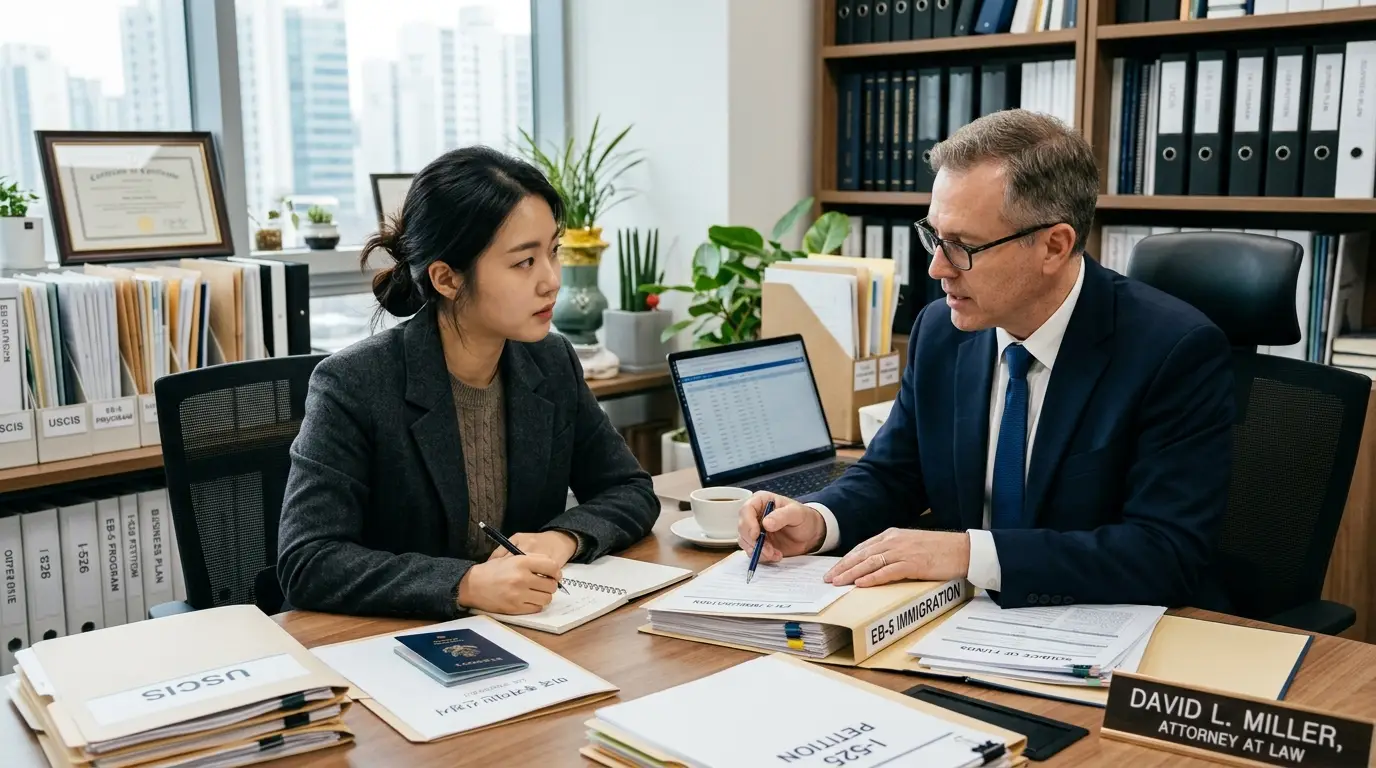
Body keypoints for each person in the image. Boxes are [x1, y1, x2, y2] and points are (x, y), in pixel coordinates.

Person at [737, 109, 1236, 610]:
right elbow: (894, 473)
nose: (937, 268)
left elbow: (1164, 552)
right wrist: (818, 521)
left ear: (1054, 246)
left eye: (962, 247)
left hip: (1102, 635)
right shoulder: (940, 331)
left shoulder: (1173, 351)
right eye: (934, 237)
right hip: (959, 624)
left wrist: (969, 553)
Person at [277, 146, 659, 620]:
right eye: (524, 262)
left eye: (553, 252)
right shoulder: (353, 383)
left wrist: (564, 537)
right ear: (447, 278)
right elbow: (308, 561)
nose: (551, 280)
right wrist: (466, 583)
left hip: (528, 633)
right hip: (394, 646)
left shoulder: (550, 360)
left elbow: (629, 488)